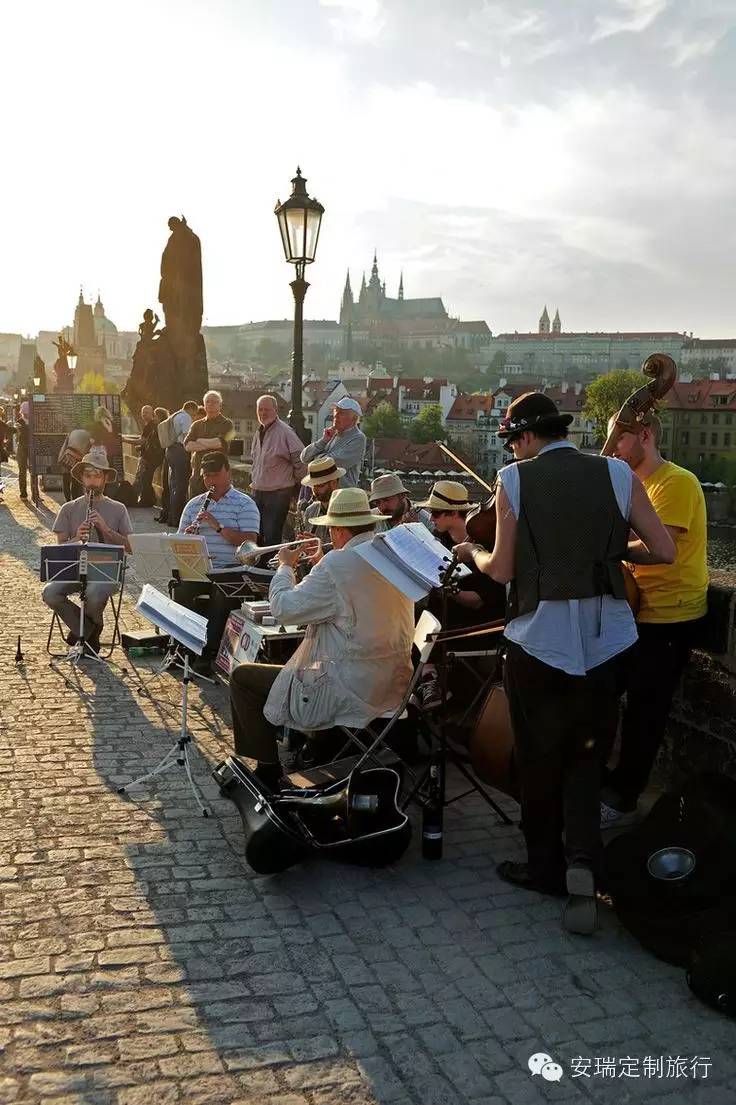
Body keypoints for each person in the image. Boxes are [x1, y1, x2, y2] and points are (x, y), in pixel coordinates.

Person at [453, 392, 674, 935]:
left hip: (539, 642)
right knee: (586, 756)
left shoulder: (514, 480)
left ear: (526, 438)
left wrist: (468, 552)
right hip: (607, 641)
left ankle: (545, 867)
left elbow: (502, 570)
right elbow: (665, 550)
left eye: (512, 441)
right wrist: (615, 553)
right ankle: (584, 862)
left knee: (539, 756)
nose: (513, 451)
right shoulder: (619, 476)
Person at [229, 487, 415, 789]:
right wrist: (322, 564)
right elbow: (353, 600)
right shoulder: (390, 555)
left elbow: (284, 609)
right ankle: (314, 751)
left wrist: (286, 566)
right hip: (392, 683)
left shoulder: (337, 564)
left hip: (350, 686)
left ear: (338, 529)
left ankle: (268, 770)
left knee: (243, 677)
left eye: (330, 529)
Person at [600, 411, 708, 827]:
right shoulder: (638, 484)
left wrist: (608, 545)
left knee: (647, 711)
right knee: (606, 695)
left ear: (644, 436)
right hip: (639, 610)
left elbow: (658, 548)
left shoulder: (676, 482)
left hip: (670, 616)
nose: (611, 450)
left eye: (617, 441)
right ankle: (607, 780)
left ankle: (624, 799)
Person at [174, 452, 260, 673]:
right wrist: (186, 536)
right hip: (199, 569)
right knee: (180, 588)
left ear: (228, 473)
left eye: (215, 475)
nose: (210, 481)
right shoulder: (194, 505)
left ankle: (206, 652)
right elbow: (176, 544)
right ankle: (183, 649)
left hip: (229, 570)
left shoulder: (245, 504)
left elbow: (251, 544)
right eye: (206, 476)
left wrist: (218, 527)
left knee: (222, 595)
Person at [42, 448, 132, 652]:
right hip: (75, 570)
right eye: (88, 475)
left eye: (97, 476)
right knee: (50, 593)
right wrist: (76, 538)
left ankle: (81, 634)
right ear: (82, 478)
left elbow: (129, 547)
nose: (92, 481)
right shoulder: (69, 509)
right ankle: (90, 629)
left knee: (93, 592)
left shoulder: (118, 509)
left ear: (105, 479)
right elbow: (60, 550)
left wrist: (106, 529)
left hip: (106, 573)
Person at [250, 394, 306, 545]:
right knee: (257, 533)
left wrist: (296, 485)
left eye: (267, 409)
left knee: (272, 535)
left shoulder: (285, 432)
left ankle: (270, 567)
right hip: (258, 491)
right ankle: (259, 566)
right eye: (260, 409)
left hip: (278, 493)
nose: (263, 413)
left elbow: (301, 460)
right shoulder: (259, 431)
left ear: (275, 410)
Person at [300, 396, 366, 488]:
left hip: (341, 496)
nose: (335, 415)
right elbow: (304, 457)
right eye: (335, 411)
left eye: (341, 413)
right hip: (321, 493)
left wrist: (316, 457)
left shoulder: (358, 438)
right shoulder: (332, 435)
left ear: (354, 419)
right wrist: (323, 441)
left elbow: (328, 465)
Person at [185, 390, 234, 497]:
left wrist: (199, 441)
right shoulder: (196, 425)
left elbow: (221, 443)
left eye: (214, 402)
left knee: (216, 509)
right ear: (204, 405)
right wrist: (211, 443)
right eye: (207, 402)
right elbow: (188, 446)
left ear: (220, 405)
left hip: (217, 476)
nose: (210, 404)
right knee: (196, 510)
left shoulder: (227, 424)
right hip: (198, 475)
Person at [158, 400, 199, 525]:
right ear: (191, 409)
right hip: (180, 452)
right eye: (195, 414)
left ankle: (171, 517)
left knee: (173, 486)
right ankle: (177, 519)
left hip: (170, 450)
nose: (194, 417)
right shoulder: (186, 417)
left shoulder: (175, 415)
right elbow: (188, 438)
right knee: (180, 487)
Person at [295, 456, 345, 546]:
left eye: (320, 485)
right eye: (314, 486)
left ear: (334, 483)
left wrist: (318, 547)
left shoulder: (348, 509)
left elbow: (347, 548)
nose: (315, 490)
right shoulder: (310, 510)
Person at [132, 405, 164, 507]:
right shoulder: (152, 425)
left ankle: (146, 501)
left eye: (146, 412)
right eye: (143, 412)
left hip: (151, 457)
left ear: (152, 414)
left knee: (145, 479)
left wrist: (124, 440)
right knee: (146, 479)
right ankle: (147, 500)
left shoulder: (151, 425)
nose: (144, 415)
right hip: (152, 456)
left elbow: (143, 441)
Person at [14, 402, 30, 499]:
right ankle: (23, 492)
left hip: (32, 446)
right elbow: (16, 433)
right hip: (22, 447)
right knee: (22, 471)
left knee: (34, 471)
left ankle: (35, 493)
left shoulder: (33, 421)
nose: (26, 414)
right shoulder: (19, 422)